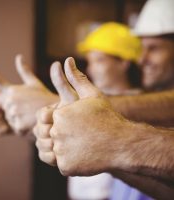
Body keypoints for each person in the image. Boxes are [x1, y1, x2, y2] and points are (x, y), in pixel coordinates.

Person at [33, 57, 174, 200]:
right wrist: (106, 156)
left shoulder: (154, 116)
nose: (142, 58)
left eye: (99, 59)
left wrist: (113, 141)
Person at [68, 22, 147, 200]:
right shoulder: (85, 101)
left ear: (124, 62)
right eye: (90, 61)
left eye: (99, 60)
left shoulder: (144, 110)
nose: (90, 69)